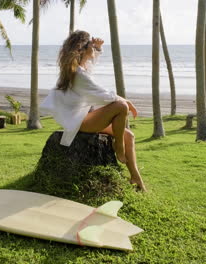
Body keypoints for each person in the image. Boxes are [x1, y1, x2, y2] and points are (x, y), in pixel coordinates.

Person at [41, 30, 146, 191]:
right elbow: (104, 96)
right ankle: (118, 145)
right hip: (80, 122)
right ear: (82, 49)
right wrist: (126, 101)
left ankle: (135, 177)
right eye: (90, 44)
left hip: (84, 117)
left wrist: (96, 48)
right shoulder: (78, 75)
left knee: (129, 135)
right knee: (120, 107)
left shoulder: (81, 69)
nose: (93, 48)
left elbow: (91, 63)